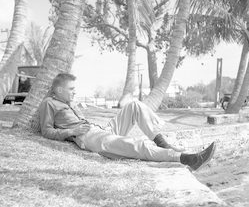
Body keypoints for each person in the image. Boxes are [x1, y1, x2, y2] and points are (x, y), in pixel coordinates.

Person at [39, 73, 216, 172]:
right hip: (89, 137)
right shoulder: (49, 103)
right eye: (71, 89)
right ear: (59, 89)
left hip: (101, 129)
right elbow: (46, 131)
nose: (74, 92)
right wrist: (71, 132)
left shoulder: (70, 103)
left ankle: (164, 144)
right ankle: (186, 159)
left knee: (134, 105)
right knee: (137, 144)